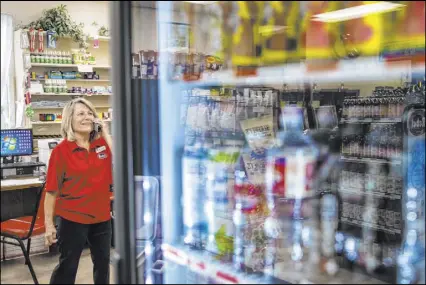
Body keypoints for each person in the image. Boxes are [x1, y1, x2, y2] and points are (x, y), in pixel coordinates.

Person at [44, 98, 113, 284]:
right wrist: (49, 225)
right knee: (68, 267)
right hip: (73, 219)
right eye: (81, 114)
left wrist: (105, 132)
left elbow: (118, 163)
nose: (87, 117)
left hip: (102, 217)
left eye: (90, 113)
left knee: (103, 266)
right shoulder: (61, 151)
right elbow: (51, 191)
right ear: (69, 120)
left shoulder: (101, 146)